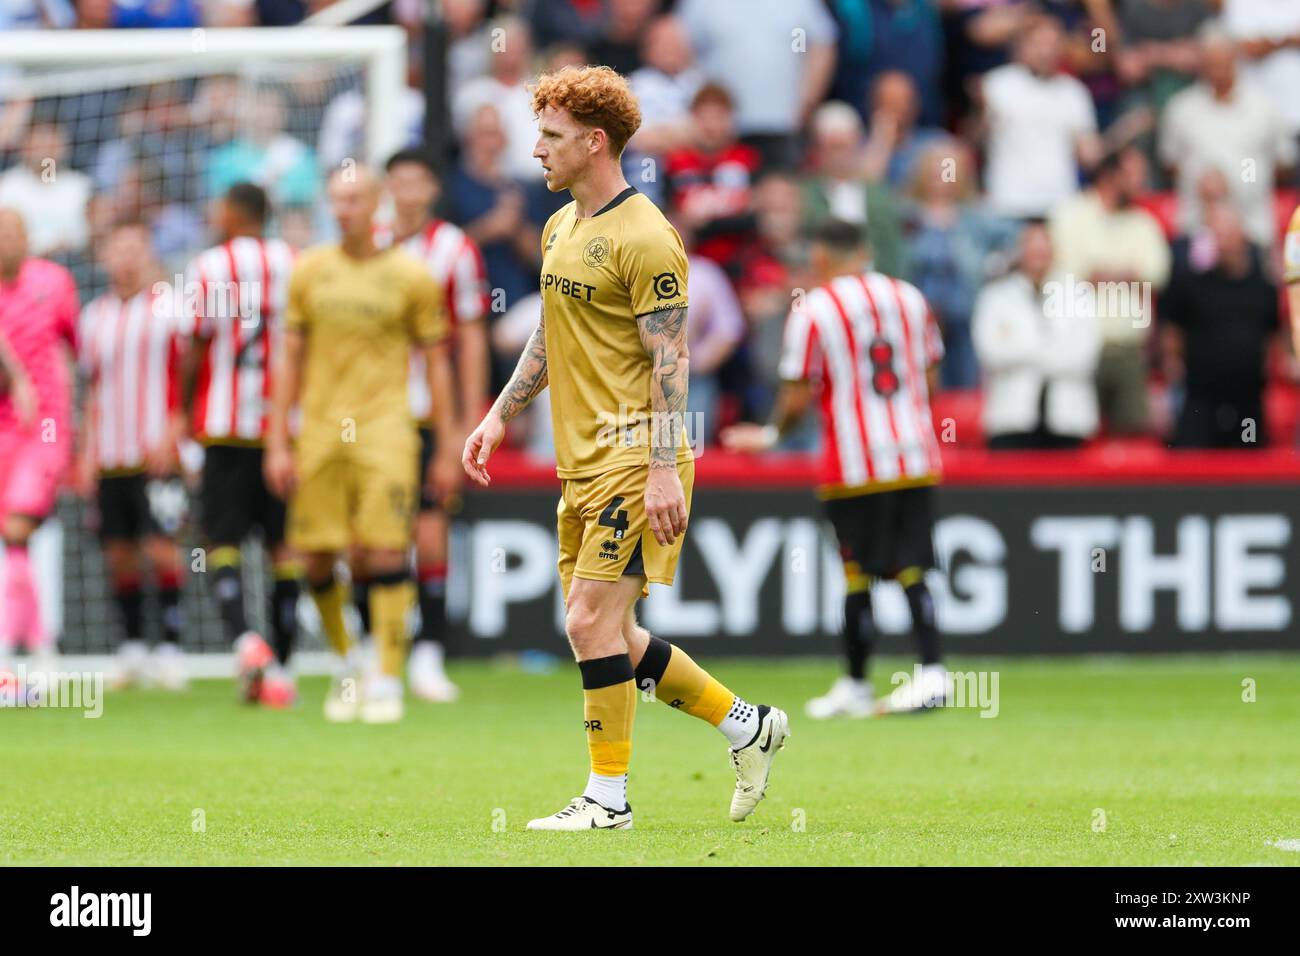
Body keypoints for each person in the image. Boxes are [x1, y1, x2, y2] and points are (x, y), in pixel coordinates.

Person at [462, 65, 790, 831]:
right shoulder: (561, 226)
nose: (536, 149)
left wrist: (663, 472)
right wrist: (500, 414)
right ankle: (747, 725)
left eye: (550, 135)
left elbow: (670, 362)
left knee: (585, 624)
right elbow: (551, 332)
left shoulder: (646, 236)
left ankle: (608, 800)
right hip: (580, 459)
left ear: (594, 141)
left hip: (635, 452)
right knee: (613, 631)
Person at [722, 219, 951, 718]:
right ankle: (931, 673)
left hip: (853, 461)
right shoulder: (910, 297)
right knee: (912, 563)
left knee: (855, 573)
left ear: (821, 257)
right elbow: (931, 376)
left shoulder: (816, 309)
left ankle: (857, 683)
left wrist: (769, 436)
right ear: (865, 251)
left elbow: (796, 393)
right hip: (914, 452)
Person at [264, 166, 459, 725]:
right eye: (337, 200)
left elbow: (437, 365)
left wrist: (446, 446)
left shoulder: (411, 276)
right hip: (320, 431)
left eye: (354, 199)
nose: (344, 209)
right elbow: (290, 358)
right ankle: (349, 660)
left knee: (386, 551)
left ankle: (388, 678)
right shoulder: (309, 272)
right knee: (318, 553)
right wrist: (278, 440)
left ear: (377, 204)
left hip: (387, 430)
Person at [365, 147, 491, 703]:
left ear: (431, 189)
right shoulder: (363, 245)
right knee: (367, 538)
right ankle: (375, 652)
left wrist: (467, 420)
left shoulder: (454, 250)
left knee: (429, 530)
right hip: (367, 416)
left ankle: (430, 654)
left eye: (417, 182)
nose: (407, 192)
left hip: (425, 414)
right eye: (398, 181)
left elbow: (469, 338)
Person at [177, 183, 300, 707]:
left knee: (222, 541)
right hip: (284, 428)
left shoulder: (208, 266)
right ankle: (284, 667)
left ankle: (247, 642)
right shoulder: (297, 263)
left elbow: (195, 342)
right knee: (284, 546)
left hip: (225, 426)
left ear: (231, 214)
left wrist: (181, 412)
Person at [76, 222, 187, 690]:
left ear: (148, 254)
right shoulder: (94, 316)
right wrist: (85, 452)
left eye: (135, 248)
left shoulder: (171, 307)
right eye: (117, 249)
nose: (126, 258)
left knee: (162, 549)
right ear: (104, 257)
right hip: (110, 453)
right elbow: (92, 389)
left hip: (155, 450)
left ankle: (171, 650)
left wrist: (176, 433)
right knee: (118, 552)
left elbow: (188, 373)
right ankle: (133, 648)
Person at [0, 208, 79, 657]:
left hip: (46, 427)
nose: (6, 241)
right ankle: (40, 647)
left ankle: (10, 653)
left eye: (13, 232)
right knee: (14, 538)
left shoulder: (54, 282)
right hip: (3, 427)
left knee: (18, 526)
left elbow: (73, 352)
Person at [1050, 148, 1170, 434]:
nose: (1142, 182)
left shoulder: (1143, 222)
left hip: (1128, 349)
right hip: (1077, 348)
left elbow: (1157, 272)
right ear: (1109, 175)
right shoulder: (1070, 213)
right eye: (1133, 175)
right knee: (1076, 433)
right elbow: (1069, 271)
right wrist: (1129, 273)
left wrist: (1103, 272)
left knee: (1131, 436)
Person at [973, 222, 1102, 450]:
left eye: (1043, 248)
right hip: (1010, 421)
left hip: (1068, 421)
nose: (1038, 255)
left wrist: (1022, 349)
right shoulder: (995, 295)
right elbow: (990, 353)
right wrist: (1049, 348)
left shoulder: (1079, 294)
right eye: (1031, 247)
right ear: (1020, 251)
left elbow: (1084, 357)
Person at [1163, 204, 1279, 449]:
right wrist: (1174, 364)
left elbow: (1273, 336)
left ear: (1243, 238)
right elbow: (1172, 330)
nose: (1220, 243)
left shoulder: (1263, 288)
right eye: (1214, 235)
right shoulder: (1190, 284)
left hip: (1247, 401)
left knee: (1251, 469)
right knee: (1190, 468)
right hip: (1200, 400)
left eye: (1225, 235)